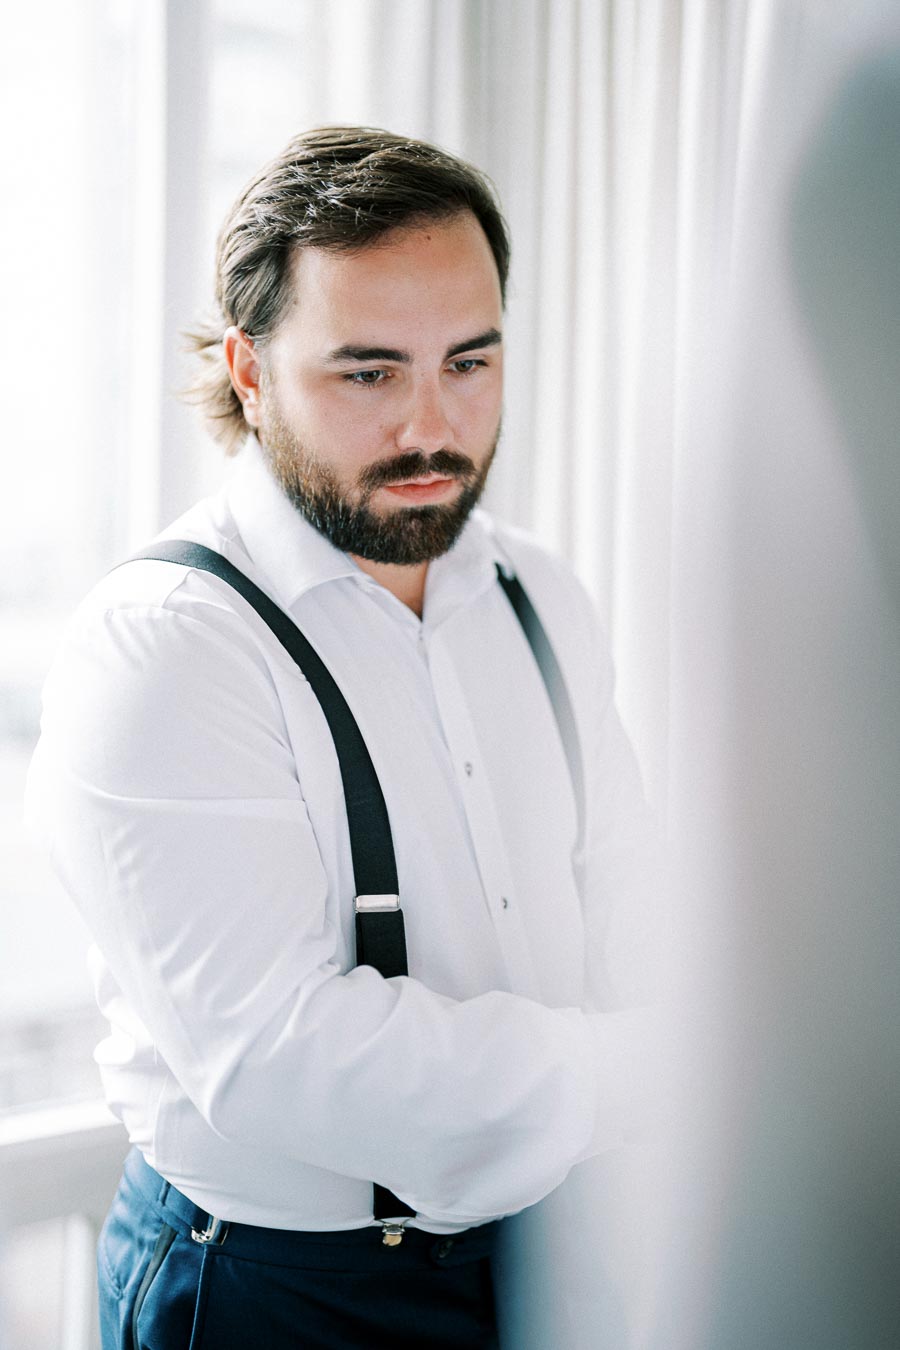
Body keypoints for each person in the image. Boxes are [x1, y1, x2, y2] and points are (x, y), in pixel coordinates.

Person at [26, 127, 660, 1349]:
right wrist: (650, 1072)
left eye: (469, 361)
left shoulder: (540, 594)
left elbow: (624, 885)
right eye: (368, 373)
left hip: (553, 1254)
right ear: (249, 370)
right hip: (277, 1291)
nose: (433, 425)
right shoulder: (167, 644)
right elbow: (280, 1055)